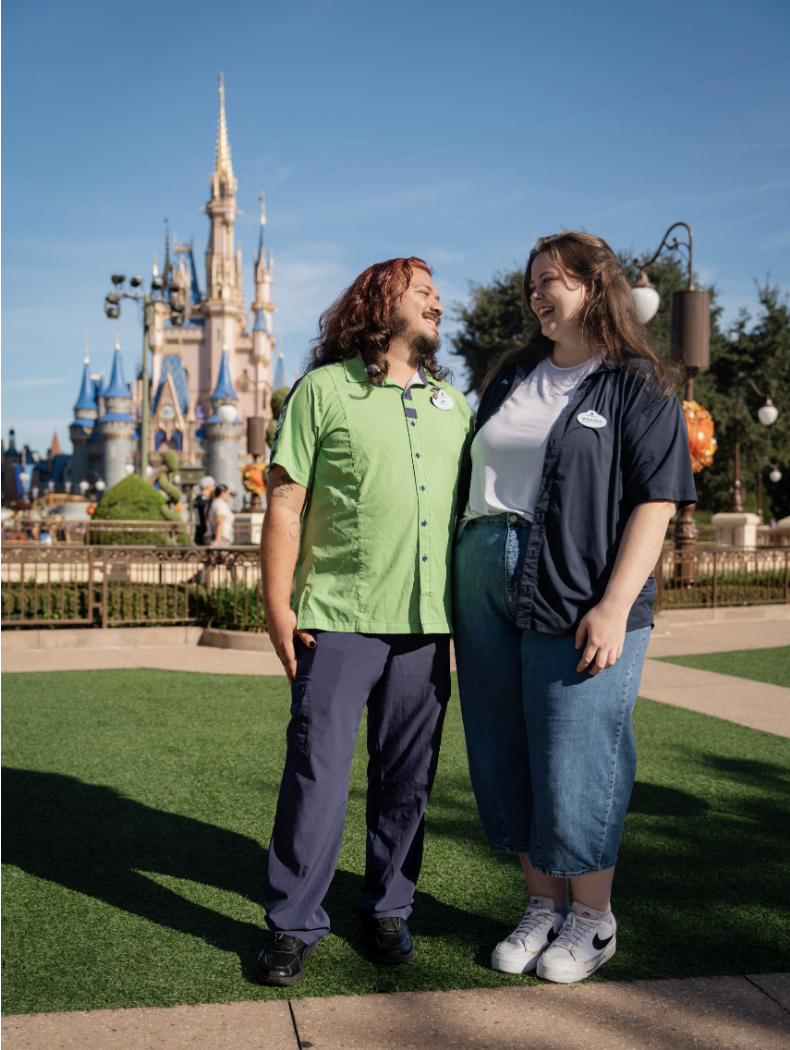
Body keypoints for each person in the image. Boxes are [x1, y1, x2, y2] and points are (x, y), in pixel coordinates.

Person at [453, 231, 696, 984]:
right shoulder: (512, 375)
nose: (537, 294)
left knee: (576, 751)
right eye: (531, 283)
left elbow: (658, 501)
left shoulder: (639, 382)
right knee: (504, 746)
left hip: (579, 586)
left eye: (552, 280)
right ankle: (542, 905)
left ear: (595, 288)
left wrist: (615, 604)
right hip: (483, 580)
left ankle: (592, 920)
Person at [256, 257, 473, 987]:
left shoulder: (455, 404)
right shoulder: (321, 391)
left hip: (427, 625)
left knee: (408, 778)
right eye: (423, 291)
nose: (438, 301)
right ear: (381, 302)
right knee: (317, 772)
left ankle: (388, 907)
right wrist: (277, 606)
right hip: (337, 618)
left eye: (438, 292)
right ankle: (291, 924)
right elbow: (284, 506)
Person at [193, 476, 215, 545]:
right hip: (205, 533)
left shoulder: (197, 499)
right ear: (208, 486)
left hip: (199, 532)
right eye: (213, 485)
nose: (214, 488)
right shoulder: (204, 501)